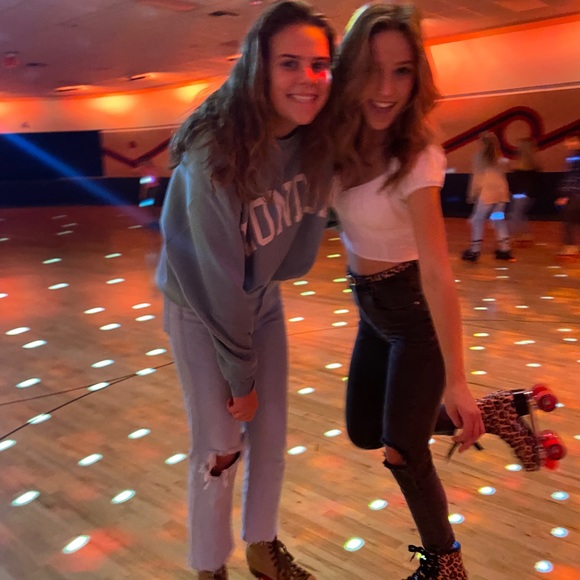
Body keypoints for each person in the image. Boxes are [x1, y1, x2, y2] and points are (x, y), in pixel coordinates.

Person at [155, 2, 334, 579]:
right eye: (289, 63)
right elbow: (217, 278)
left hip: (262, 300)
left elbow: (293, 248)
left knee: (272, 435)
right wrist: (242, 381)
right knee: (221, 445)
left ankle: (262, 546)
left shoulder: (312, 139)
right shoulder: (216, 147)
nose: (307, 78)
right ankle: (210, 567)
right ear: (258, 67)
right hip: (201, 309)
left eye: (319, 65)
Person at [326, 4, 485, 578]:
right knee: (364, 431)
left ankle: (444, 562)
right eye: (373, 71)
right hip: (371, 311)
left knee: (402, 451)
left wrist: (458, 379)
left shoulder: (416, 157)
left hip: (415, 316)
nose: (386, 90)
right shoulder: (334, 143)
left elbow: (439, 271)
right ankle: (494, 414)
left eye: (402, 72)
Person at [461, 132, 514, 262]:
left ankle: (474, 250)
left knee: (477, 220)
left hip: (487, 194)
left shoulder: (479, 156)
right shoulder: (500, 157)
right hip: (501, 194)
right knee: (498, 220)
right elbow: (505, 174)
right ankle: (505, 249)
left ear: (482, 143)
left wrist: (472, 194)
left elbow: (477, 177)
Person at [508, 137, 542, 245]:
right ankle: (526, 235)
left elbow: (523, 183)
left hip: (523, 194)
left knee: (515, 214)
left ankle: (510, 236)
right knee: (520, 214)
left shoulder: (523, 167)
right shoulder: (531, 166)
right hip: (526, 194)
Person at [555, 134, 580, 256]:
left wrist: (566, 195)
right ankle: (571, 246)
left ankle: (570, 247)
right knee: (573, 219)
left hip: (576, 194)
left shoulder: (576, 157)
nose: (567, 144)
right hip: (575, 193)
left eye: (571, 141)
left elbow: (574, 177)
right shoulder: (574, 156)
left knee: (569, 219)